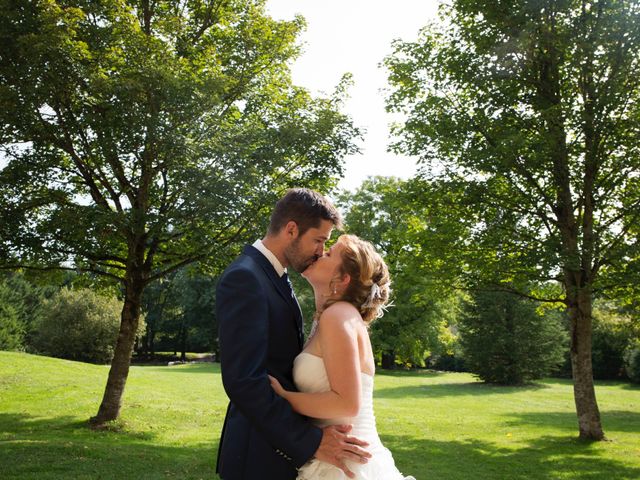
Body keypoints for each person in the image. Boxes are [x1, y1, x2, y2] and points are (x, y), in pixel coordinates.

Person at [216, 189, 371, 480]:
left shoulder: (277, 277)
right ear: (291, 229)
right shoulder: (246, 277)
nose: (320, 251)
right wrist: (309, 441)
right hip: (256, 456)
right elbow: (243, 382)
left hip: (280, 454)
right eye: (318, 240)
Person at [268, 234, 415, 479]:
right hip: (338, 457)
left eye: (328, 253)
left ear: (343, 279)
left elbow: (346, 402)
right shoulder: (333, 317)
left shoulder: (338, 316)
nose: (319, 252)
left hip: (346, 465)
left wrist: (284, 398)